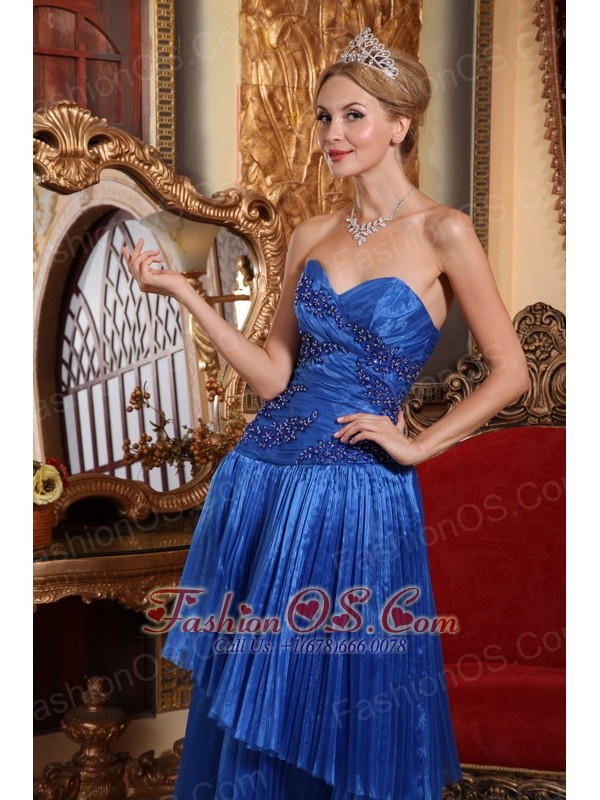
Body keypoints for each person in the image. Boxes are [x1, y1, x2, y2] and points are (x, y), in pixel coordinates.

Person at [123, 27, 529, 800]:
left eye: (352, 116)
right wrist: (182, 293)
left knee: (337, 686)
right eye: (323, 117)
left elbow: (509, 371)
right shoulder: (312, 234)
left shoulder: (444, 231)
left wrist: (418, 445)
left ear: (400, 126)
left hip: (354, 489)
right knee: (254, 691)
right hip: (261, 476)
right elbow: (273, 374)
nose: (331, 134)